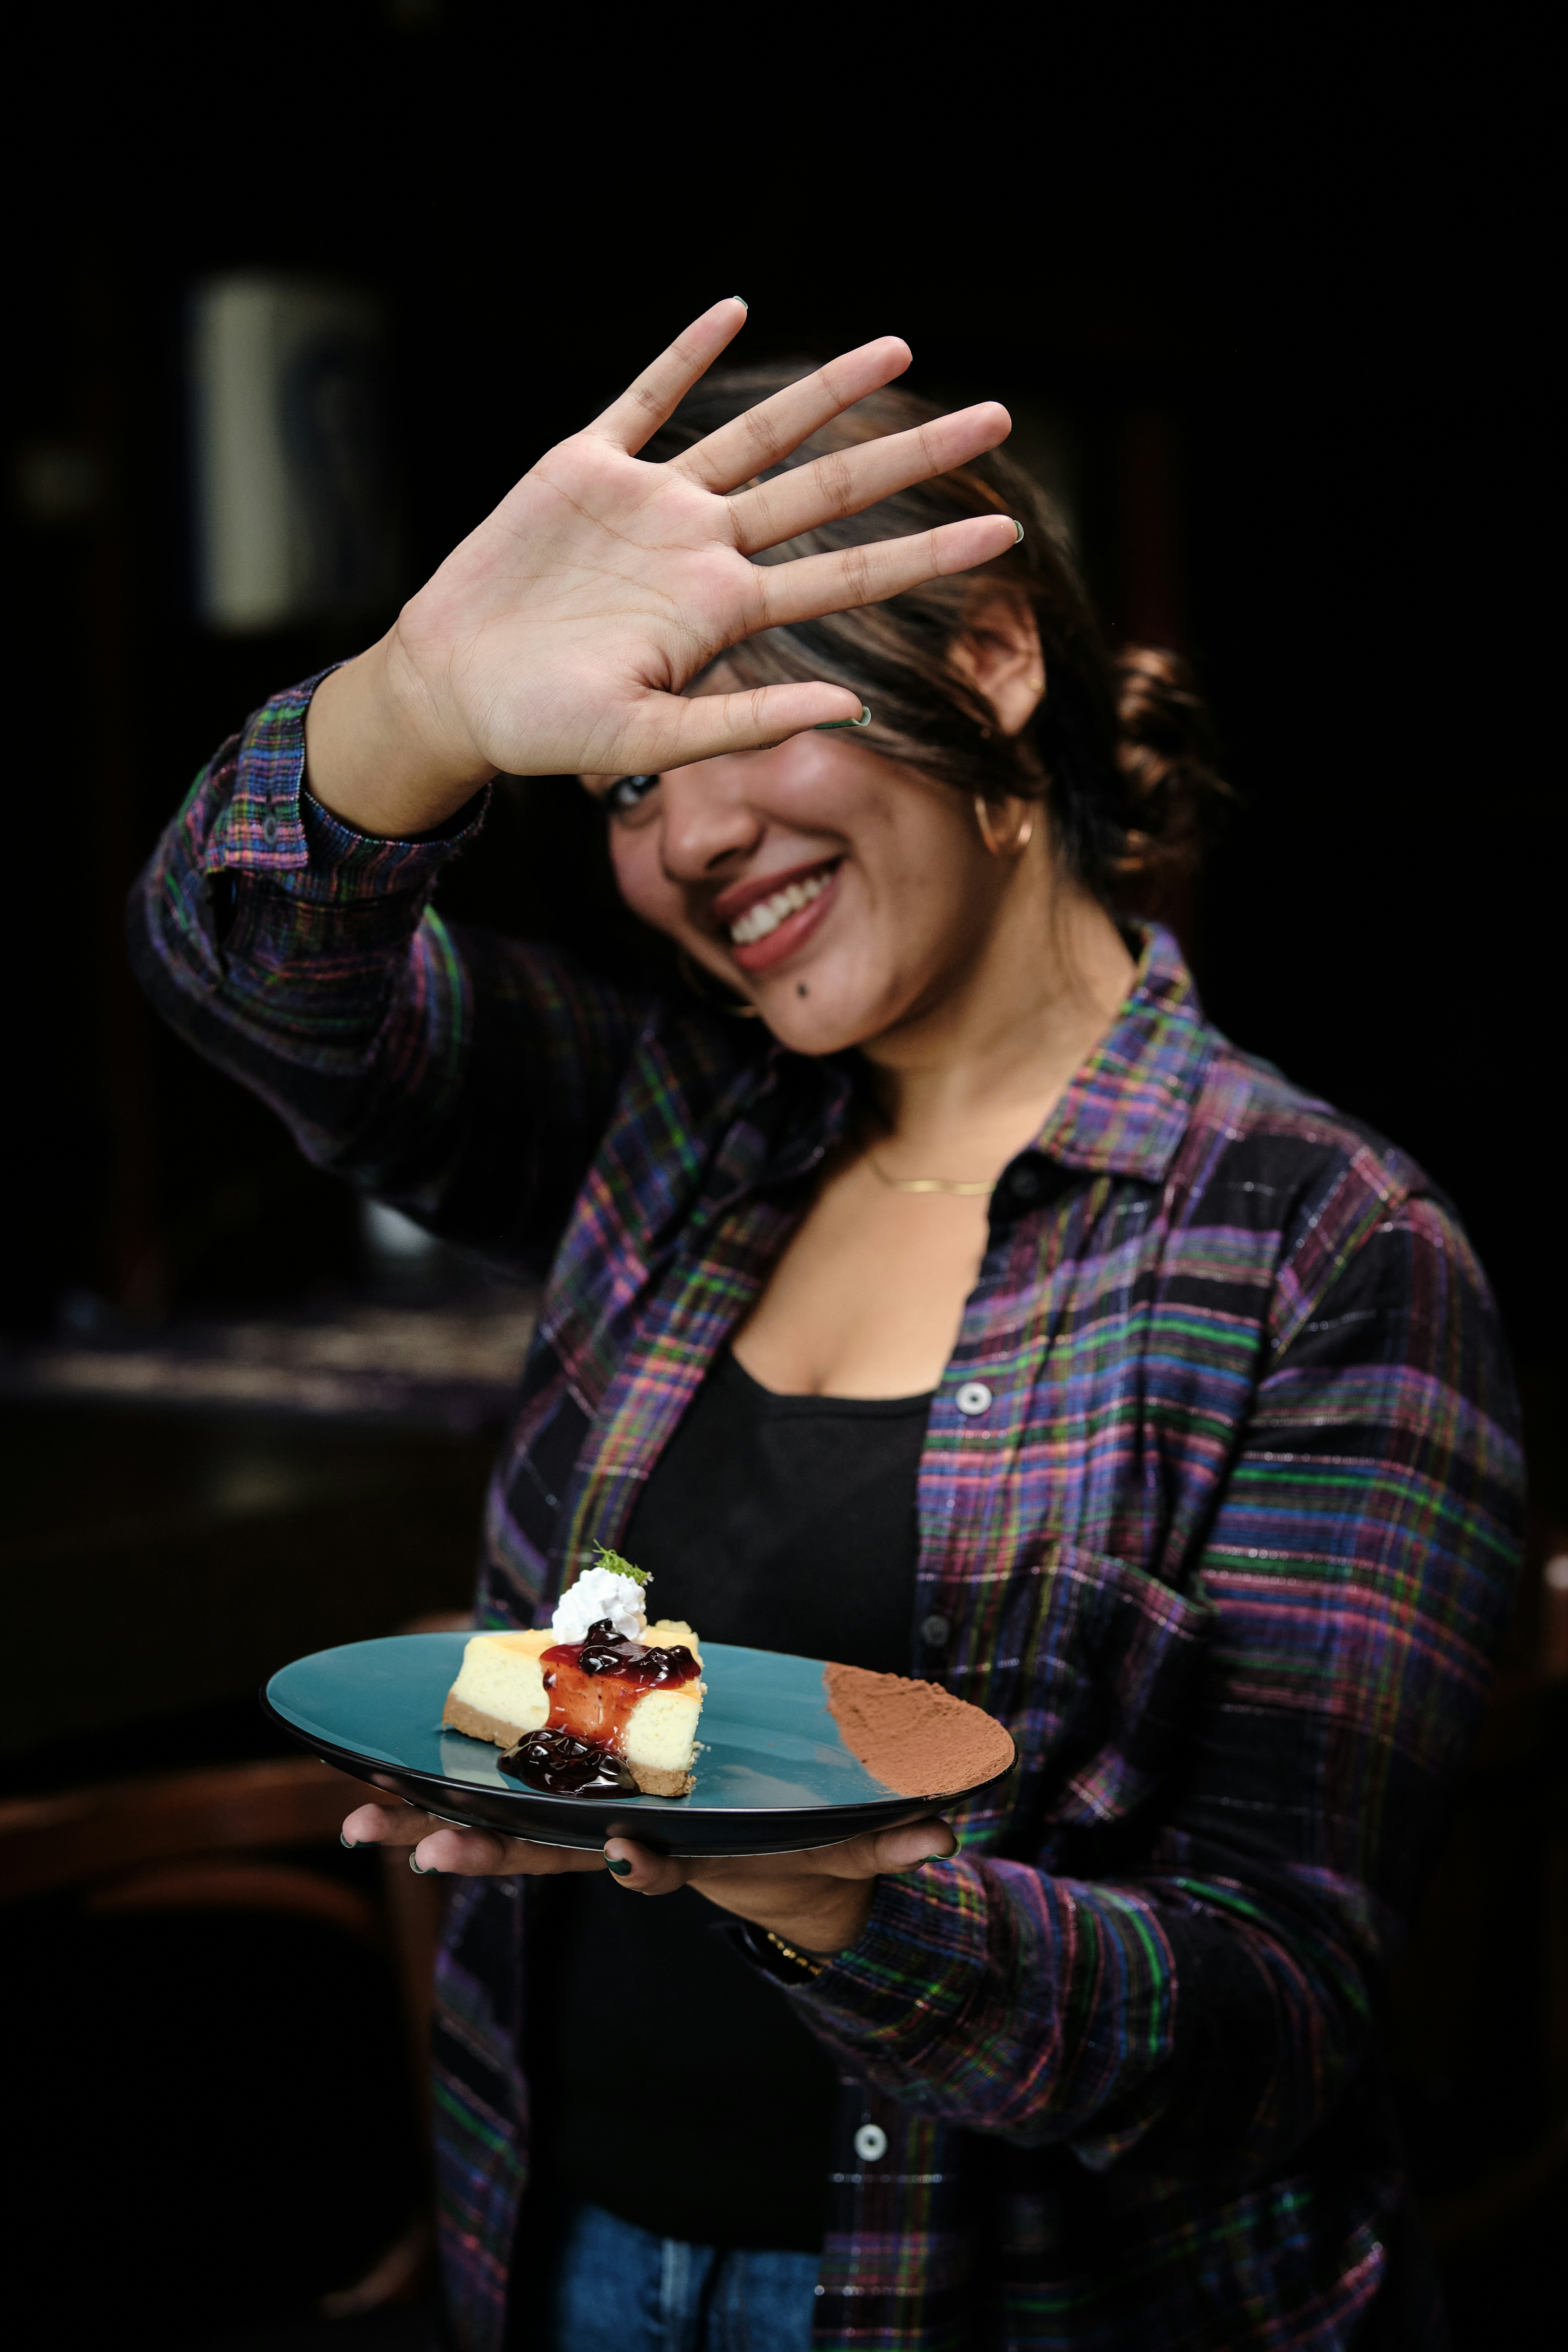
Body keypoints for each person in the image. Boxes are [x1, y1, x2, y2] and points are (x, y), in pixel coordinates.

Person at [131, 300, 1523, 2351]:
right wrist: (421, 697)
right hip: (561, 2257)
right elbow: (239, 965)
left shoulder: (1321, 1247)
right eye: (618, 781)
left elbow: (1268, 2035)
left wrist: (842, 1895)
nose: (683, 836)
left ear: (988, 658)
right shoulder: (676, 1124)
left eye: (732, 720)